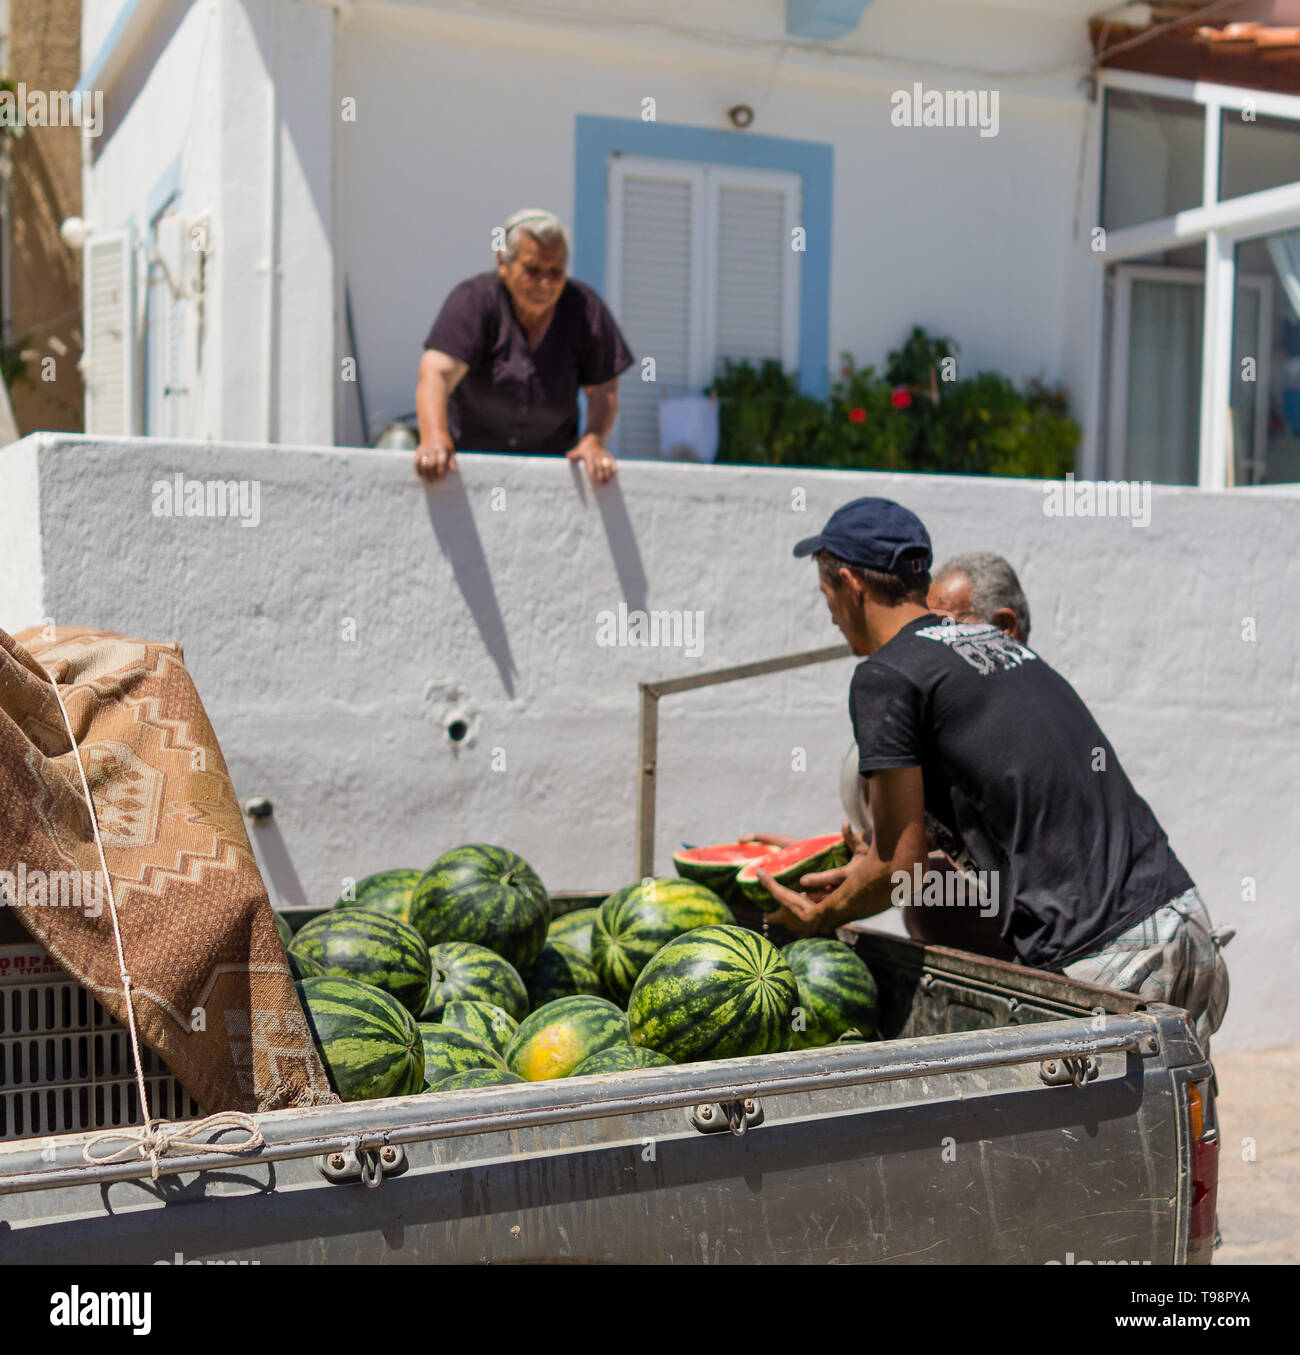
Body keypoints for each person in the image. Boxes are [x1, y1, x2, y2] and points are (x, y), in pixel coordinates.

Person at [756, 497, 1229, 1046]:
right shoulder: (995, 646)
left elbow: (897, 869)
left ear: (848, 583)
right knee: (1172, 1124)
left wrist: (821, 918)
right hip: (1185, 923)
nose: (831, 616)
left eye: (827, 596)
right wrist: (841, 857)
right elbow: (993, 793)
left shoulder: (885, 676)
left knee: (1063, 1134)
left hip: (1106, 959)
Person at [414, 209, 634, 485]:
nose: (545, 283)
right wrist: (434, 436)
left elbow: (604, 388)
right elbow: (437, 373)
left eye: (556, 272)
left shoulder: (584, 308)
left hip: (552, 474)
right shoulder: (474, 301)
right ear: (503, 263)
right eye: (532, 270)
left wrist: (593, 441)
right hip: (467, 470)